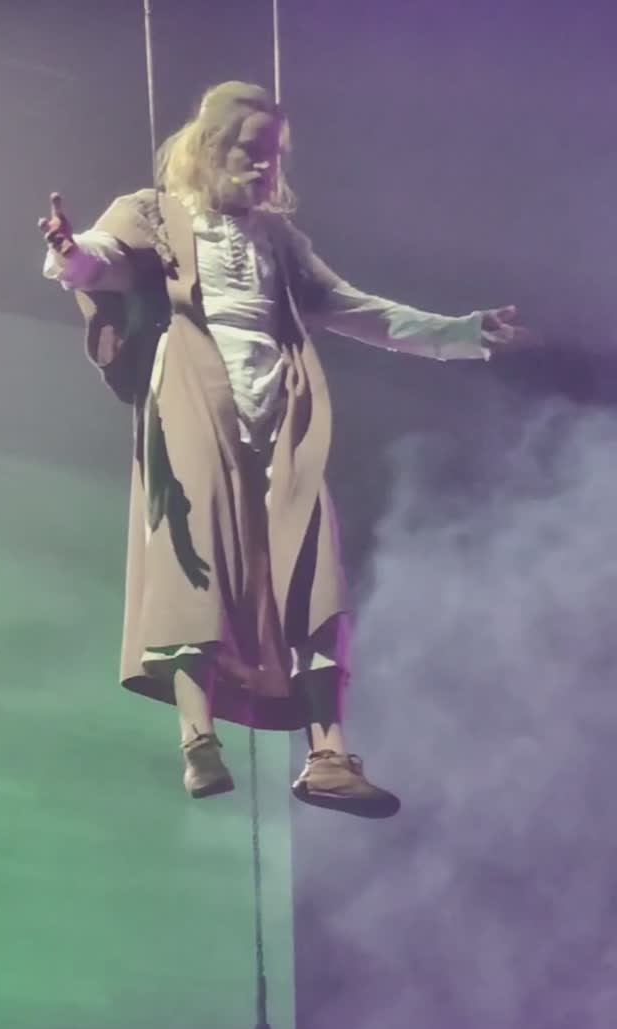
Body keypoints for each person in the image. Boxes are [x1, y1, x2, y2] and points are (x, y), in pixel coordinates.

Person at [39, 80, 524, 819]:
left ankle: (328, 756)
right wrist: (71, 254)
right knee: (194, 557)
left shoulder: (278, 241)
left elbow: (358, 309)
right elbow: (101, 262)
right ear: (211, 147)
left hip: (282, 414)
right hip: (195, 401)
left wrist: (462, 332)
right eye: (250, 151)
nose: (264, 166)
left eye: (272, 154)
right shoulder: (154, 213)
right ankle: (198, 738)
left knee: (314, 573)